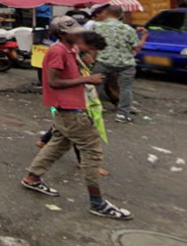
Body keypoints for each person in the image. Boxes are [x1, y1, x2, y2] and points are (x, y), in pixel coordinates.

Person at [21, 16, 131, 220]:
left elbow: (81, 58)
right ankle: (97, 203)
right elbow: (53, 82)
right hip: (70, 110)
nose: (78, 34)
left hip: (72, 108)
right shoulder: (57, 51)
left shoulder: (70, 49)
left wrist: (87, 59)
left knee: (58, 145)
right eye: (74, 33)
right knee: (91, 153)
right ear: (62, 34)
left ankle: (32, 177)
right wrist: (87, 79)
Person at [93, 5, 146, 122]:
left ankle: (91, 111)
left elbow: (92, 44)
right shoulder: (128, 29)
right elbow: (136, 47)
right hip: (125, 62)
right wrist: (144, 37)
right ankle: (122, 114)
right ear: (121, 15)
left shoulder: (97, 27)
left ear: (106, 13)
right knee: (125, 88)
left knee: (96, 85)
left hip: (104, 60)